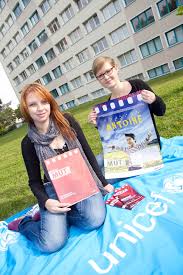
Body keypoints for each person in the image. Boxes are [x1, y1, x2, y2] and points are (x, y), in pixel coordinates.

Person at [8, 83, 114, 253]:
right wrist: (46, 202)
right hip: (54, 188)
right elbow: (34, 182)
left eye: (44, 102)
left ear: (50, 102)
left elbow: (87, 152)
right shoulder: (28, 143)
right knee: (51, 244)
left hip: (81, 180)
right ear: (26, 109)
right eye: (33, 104)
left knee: (94, 220)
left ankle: (61, 218)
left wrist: (103, 182)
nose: (40, 108)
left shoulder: (67, 121)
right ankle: (25, 223)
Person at [88, 56, 166, 181]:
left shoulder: (138, 86)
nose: (106, 77)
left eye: (108, 71)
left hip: (146, 150)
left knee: (104, 177)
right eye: (101, 75)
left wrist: (154, 99)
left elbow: (161, 111)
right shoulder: (108, 105)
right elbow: (113, 134)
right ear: (98, 80)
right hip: (124, 150)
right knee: (95, 163)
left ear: (116, 68)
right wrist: (97, 123)